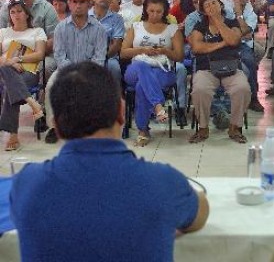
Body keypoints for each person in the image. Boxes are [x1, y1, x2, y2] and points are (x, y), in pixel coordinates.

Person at [10, 61, 209, 262]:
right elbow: (199, 215)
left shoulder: (26, 184)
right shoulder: (163, 182)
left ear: (56, 125)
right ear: (121, 112)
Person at [45, 0, 108, 144]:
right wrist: (72, 72)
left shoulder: (99, 29)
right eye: (74, 1)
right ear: (69, 4)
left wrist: (84, 73)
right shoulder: (60, 28)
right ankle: (54, 127)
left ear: (89, 4)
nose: (78, 5)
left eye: (82, 2)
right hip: (65, 70)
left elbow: (99, 57)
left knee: (95, 87)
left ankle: (91, 127)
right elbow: (59, 55)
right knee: (50, 86)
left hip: (90, 72)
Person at [120, 0, 184, 147]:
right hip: (136, 68)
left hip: (162, 70)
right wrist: (142, 50)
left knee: (142, 86)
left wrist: (164, 51)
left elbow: (179, 56)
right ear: (145, 10)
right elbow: (123, 53)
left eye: (159, 12)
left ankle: (143, 130)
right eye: (151, 11)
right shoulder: (136, 27)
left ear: (165, 12)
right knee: (142, 67)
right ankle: (157, 105)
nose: (154, 15)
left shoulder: (172, 29)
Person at [188, 0, 250, 144]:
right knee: (200, 89)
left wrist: (217, 21)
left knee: (242, 88)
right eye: (207, 5)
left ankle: (234, 127)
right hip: (207, 68)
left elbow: (234, 40)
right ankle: (203, 128)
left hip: (231, 67)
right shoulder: (200, 26)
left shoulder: (231, 22)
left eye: (213, 3)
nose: (211, 7)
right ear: (203, 10)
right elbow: (196, 47)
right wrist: (222, 44)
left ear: (220, 5)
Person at [0, 0, 46, 151]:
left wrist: (18, 59)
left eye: (19, 11)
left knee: (9, 86)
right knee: (7, 72)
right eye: (12, 12)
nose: (16, 15)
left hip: (28, 72)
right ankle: (32, 103)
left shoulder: (37, 31)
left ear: (27, 14)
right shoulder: (3, 32)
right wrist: (11, 63)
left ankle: (13, 134)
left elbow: (40, 54)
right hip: (6, 70)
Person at [89, 0, 125, 83]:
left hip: (109, 57)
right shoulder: (85, 16)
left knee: (114, 68)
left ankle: (116, 96)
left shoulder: (117, 19)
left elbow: (116, 44)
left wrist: (101, 59)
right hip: (86, 56)